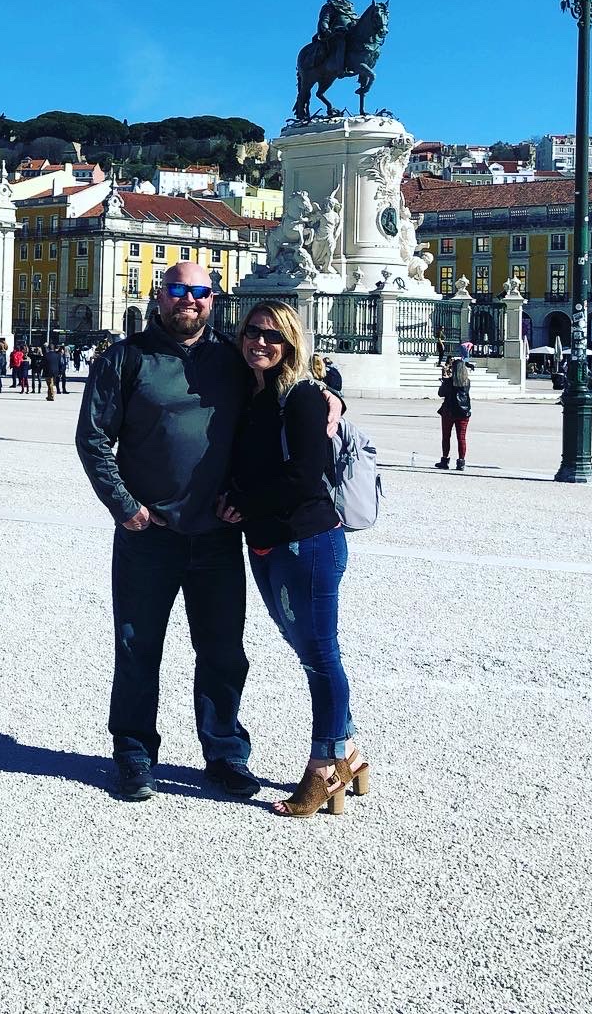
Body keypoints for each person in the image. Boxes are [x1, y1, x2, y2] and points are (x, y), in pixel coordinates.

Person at [75, 262, 264, 804]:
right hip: (147, 535)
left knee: (223, 650)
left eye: (201, 291)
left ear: (212, 300)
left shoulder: (232, 359)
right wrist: (125, 508)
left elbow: (271, 417)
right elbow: (93, 438)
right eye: (179, 289)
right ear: (160, 296)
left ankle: (225, 753)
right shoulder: (125, 359)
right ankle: (134, 753)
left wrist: (330, 397)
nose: (190, 299)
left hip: (217, 536)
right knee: (138, 648)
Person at [224, 301, 367, 817]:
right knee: (306, 647)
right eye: (252, 332)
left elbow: (305, 478)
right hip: (265, 541)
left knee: (321, 654)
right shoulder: (248, 394)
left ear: (290, 343)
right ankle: (349, 750)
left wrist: (244, 503)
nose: (260, 342)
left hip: (308, 540)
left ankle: (326, 764)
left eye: (272, 336)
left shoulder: (304, 397)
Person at [435, 355, 472, 471]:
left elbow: (441, 393)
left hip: (449, 411)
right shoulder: (467, 382)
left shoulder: (449, 381)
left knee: (446, 436)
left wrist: (445, 380)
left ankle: (445, 460)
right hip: (463, 412)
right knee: (461, 438)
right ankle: (461, 462)